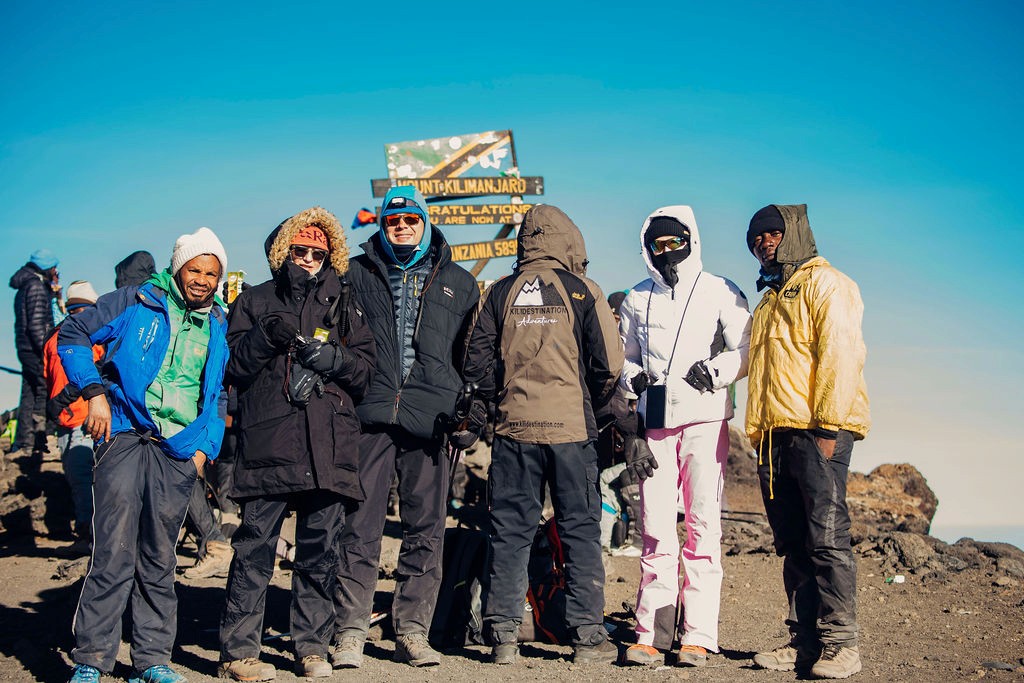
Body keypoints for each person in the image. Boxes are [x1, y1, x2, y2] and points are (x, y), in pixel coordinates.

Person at [60, 228, 229, 683]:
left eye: (212, 274)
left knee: (159, 556)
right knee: (113, 550)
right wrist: (93, 391)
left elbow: (217, 395)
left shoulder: (217, 323)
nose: (202, 280)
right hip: (125, 435)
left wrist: (202, 450)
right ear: (178, 268)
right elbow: (73, 332)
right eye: (195, 270)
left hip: (177, 449)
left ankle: (151, 659)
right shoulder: (135, 301)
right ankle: (91, 660)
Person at [218, 207, 376, 681]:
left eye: (318, 252)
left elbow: (367, 372)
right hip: (269, 440)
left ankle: (311, 648)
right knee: (254, 549)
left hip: (328, 444)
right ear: (283, 251)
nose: (308, 258)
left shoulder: (345, 300)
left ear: (331, 255)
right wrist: (266, 336)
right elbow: (232, 368)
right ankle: (239, 653)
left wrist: (336, 358)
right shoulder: (254, 300)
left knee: (320, 551)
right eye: (300, 250)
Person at [462, 204, 624, 665]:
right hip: (572, 430)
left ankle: (503, 637)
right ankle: (588, 636)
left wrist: (495, 406)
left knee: (509, 531)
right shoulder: (583, 291)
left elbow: (476, 363)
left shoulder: (500, 291)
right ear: (569, 241)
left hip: (515, 429)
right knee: (579, 531)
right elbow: (609, 366)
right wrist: (586, 402)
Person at [332, 185, 479, 669]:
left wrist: (469, 411)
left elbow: (472, 355)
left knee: (426, 529)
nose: (401, 226)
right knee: (360, 527)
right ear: (381, 224)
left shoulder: (459, 281)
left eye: (409, 220)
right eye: (393, 220)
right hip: (369, 412)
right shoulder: (353, 273)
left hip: (430, 416)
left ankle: (412, 631)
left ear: (425, 223)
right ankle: (351, 630)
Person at [616, 206, 751, 667]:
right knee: (654, 528)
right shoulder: (636, 298)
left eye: (676, 241)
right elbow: (624, 359)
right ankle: (650, 633)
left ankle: (698, 635)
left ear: (691, 240)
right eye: (659, 244)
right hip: (654, 424)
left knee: (702, 525)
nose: (668, 250)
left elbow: (746, 349)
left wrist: (713, 372)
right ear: (648, 248)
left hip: (706, 420)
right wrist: (631, 379)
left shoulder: (720, 291)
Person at [744, 204, 870, 679]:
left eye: (773, 233)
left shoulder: (827, 283)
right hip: (774, 434)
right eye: (756, 238)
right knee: (793, 542)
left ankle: (842, 645)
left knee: (827, 537)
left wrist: (827, 430)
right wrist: (757, 431)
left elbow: (840, 353)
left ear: (794, 234)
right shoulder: (770, 298)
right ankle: (804, 642)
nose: (763, 242)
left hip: (817, 430)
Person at [42, 280, 102, 553]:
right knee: (78, 479)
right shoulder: (65, 336)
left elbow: (95, 373)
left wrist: (60, 400)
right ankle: (87, 535)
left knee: (83, 478)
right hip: (68, 419)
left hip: (83, 417)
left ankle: (91, 538)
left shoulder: (94, 335)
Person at [8, 248, 60, 463]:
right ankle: (40, 441)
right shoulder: (37, 287)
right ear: (47, 267)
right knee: (43, 391)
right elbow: (38, 325)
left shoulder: (27, 285)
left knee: (28, 392)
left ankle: (24, 441)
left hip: (25, 347)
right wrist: (47, 351)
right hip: (36, 349)